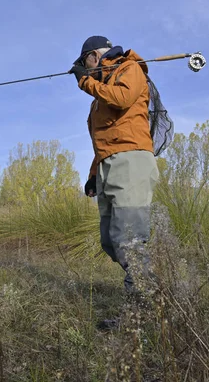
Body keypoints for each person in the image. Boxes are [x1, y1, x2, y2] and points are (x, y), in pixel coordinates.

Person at [69, 36, 160, 300]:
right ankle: (149, 290)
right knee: (110, 241)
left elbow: (122, 98)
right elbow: (104, 140)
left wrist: (85, 81)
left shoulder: (129, 69)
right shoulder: (98, 96)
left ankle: (142, 310)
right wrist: (93, 175)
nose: (85, 69)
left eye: (85, 63)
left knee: (129, 242)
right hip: (109, 165)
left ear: (95, 56)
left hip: (132, 161)